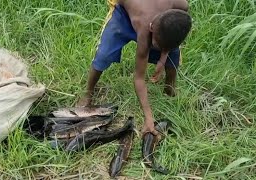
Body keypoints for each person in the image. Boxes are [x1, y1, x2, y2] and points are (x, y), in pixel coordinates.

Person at [77, 0, 192, 137]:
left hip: (157, 22)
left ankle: (170, 90)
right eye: (156, 45)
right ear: (152, 28)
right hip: (123, 14)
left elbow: (176, 28)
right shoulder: (145, 28)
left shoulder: (180, 5)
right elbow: (139, 77)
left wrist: (164, 56)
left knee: (173, 59)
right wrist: (148, 117)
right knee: (103, 55)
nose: (154, 47)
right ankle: (88, 92)